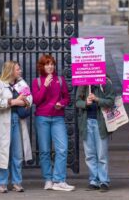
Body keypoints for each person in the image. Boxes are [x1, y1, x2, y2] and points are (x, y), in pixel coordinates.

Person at [0, 61, 33, 193]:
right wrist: (14, 101)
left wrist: (23, 101)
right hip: (3, 122)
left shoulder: (21, 83)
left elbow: (30, 99)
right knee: (3, 154)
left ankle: (17, 182)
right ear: (10, 70)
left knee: (17, 154)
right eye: (18, 69)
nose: (20, 71)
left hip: (17, 121)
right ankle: (2, 183)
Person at [32, 55, 75, 191]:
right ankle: (48, 179)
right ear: (42, 66)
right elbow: (36, 101)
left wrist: (61, 103)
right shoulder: (37, 81)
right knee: (44, 151)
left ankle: (59, 180)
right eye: (47, 64)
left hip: (58, 118)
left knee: (62, 149)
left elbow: (67, 98)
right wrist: (45, 86)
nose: (50, 66)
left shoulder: (60, 80)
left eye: (52, 64)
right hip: (42, 118)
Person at [75, 77, 116, 192]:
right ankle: (94, 180)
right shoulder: (83, 83)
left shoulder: (105, 82)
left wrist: (97, 99)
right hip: (86, 122)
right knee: (90, 154)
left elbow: (111, 101)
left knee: (102, 154)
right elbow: (77, 102)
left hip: (100, 123)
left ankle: (104, 181)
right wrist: (85, 103)